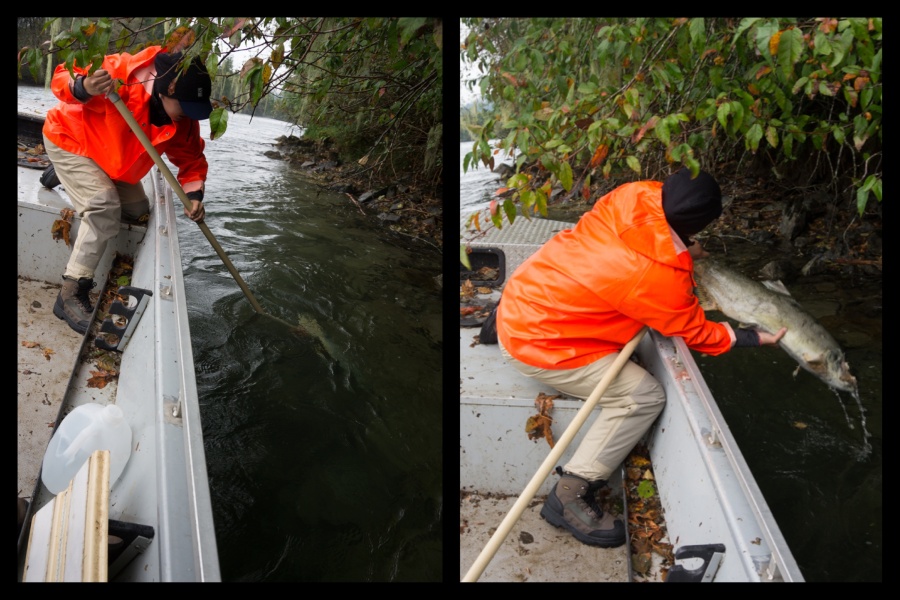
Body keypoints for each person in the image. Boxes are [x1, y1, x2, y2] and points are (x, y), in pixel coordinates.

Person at [494, 168, 786, 548]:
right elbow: (695, 332)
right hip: (539, 346)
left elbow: (658, 236)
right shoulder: (656, 278)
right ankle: (569, 494)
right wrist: (749, 337)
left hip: (521, 303)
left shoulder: (632, 196)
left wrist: (686, 246)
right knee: (644, 396)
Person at [43, 47, 213, 334]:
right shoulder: (120, 73)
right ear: (166, 89)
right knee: (104, 205)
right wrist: (83, 86)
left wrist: (194, 195)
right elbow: (62, 75)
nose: (188, 114)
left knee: (137, 212)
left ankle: (66, 175)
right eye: (184, 106)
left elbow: (192, 160)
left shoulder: (182, 120)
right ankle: (71, 290)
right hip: (70, 140)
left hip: (111, 158)